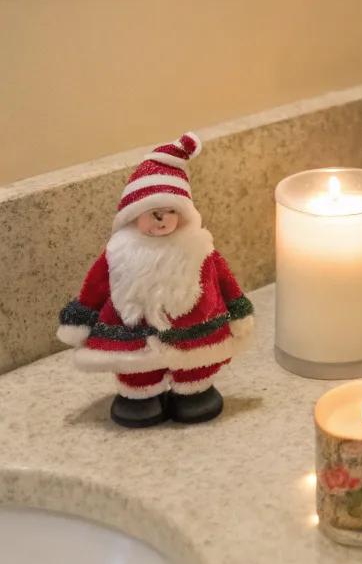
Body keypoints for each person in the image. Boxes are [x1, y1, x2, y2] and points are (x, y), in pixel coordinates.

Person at [57, 133, 253, 428]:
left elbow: (225, 280)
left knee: (195, 367)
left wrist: (238, 309)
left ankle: (194, 393)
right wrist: (79, 318)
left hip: (194, 331)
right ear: (134, 215)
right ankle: (140, 395)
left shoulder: (198, 247)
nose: (162, 220)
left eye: (170, 212)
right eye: (153, 213)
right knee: (137, 370)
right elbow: (95, 287)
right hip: (130, 332)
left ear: (184, 213)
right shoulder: (119, 251)